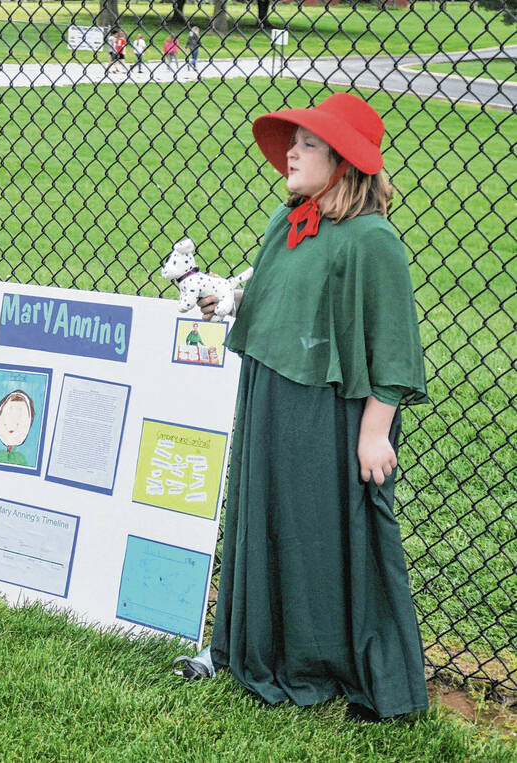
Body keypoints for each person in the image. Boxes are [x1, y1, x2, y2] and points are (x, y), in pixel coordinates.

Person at [179, 93, 430, 722]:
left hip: (326, 412)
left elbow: (393, 349)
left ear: (344, 162)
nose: (291, 151)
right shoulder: (287, 220)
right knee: (264, 517)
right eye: (291, 139)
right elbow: (271, 298)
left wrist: (376, 431)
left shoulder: (372, 240)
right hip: (267, 395)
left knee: (320, 531)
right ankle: (256, 649)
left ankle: (326, 662)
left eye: (308, 143)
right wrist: (226, 305)